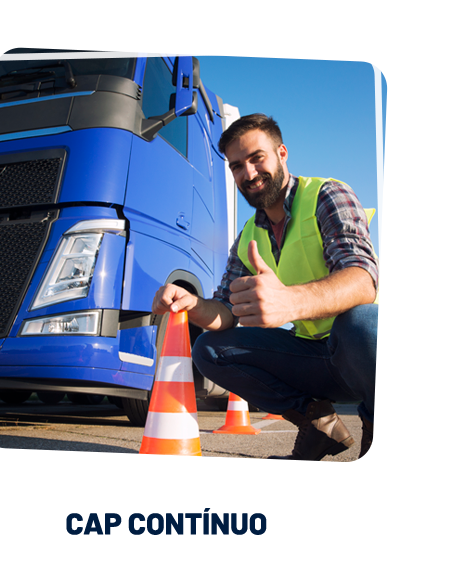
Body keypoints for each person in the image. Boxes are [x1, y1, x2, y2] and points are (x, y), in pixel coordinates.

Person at [151, 113, 378, 461]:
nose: (249, 173)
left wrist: (290, 303)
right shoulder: (248, 234)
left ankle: (380, 438)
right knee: (209, 349)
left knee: (361, 322)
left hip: (362, 352)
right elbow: (226, 311)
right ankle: (318, 426)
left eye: (257, 158)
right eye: (237, 166)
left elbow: (363, 278)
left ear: (281, 153)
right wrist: (193, 303)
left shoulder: (327, 195)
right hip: (314, 357)